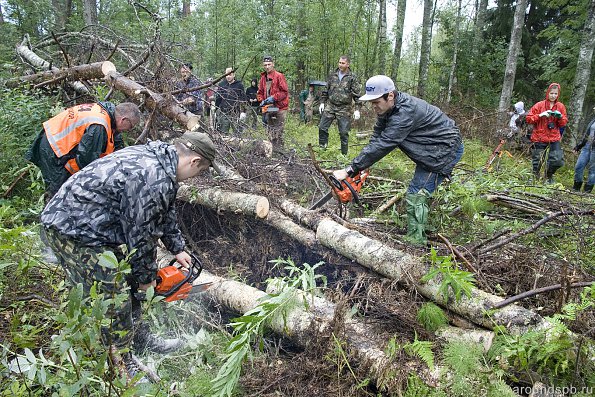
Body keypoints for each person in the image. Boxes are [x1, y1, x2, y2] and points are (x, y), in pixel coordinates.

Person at [41, 132, 219, 382]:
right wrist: (147, 281)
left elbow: (165, 210)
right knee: (115, 293)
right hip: (72, 230)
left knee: (128, 283)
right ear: (194, 161)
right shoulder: (153, 176)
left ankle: (140, 339)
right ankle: (122, 365)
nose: (196, 176)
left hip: (94, 227)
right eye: (200, 171)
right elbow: (141, 235)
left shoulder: (161, 162)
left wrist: (177, 247)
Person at [332, 75, 463, 245]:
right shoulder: (387, 109)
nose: (373, 107)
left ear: (390, 96)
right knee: (417, 191)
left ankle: (416, 243)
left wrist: (350, 169)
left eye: (376, 102)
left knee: (416, 194)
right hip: (429, 147)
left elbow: (386, 143)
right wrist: (363, 165)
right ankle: (419, 231)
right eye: (371, 103)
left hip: (443, 150)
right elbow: (377, 139)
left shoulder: (405, 113)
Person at [25, 101, 141, 200]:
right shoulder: (99, 125)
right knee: (58, 192)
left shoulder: (106, 112)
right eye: (130, 127)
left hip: (54, 140)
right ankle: (50, 220)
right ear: (123, 120)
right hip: (55, 148)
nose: (128, 130)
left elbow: (115, 141)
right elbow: (86, 160)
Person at [318, 55, 362, 155]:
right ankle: (322, 149)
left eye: (343, 63)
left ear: (348, 64)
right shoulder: (332, 75)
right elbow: (326, 90)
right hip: (331, 105)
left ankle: (344, 155)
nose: (340, 65)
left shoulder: (352, 77)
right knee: (322, 127)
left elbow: (357, 95)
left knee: (343, 133)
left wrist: (357, 109)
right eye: (339, 62)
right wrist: (322, 103)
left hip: (344, 108)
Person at [526, 83, 568, 183]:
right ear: (548, 93)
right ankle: (534, 178)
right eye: (551, 93)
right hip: (539, 136)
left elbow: (564, 123)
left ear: (558, 94)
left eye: (555, 94)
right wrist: (540, 115)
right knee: (537, 160)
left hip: (554, 137)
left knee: (557, 160)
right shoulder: (539, 105)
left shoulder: (560, 106)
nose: (553, 96)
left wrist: (560, 117)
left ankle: (548, 176)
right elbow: (528, 119)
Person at [257, 55, 289, 149]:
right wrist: (262, 101)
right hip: (269, 107)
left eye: (269, 64)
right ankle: (271, 150)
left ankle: (280, 151)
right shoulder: (263, 78)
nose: (267, 67)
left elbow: (284, 92)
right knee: (270, 130)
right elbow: (260, 92)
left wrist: (273, 98)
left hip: (280, 107)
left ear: (273, 64)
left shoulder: (279, 76)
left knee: (278, 131)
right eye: (265, 65)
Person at [215, 67, 247, 134]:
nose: (228, 76)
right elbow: (218, 98)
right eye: (227, 75)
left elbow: (243, 99)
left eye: (230, 75)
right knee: (223, 132)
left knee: (237, 133)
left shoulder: (239, 85)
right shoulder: (221, 84)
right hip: (224, 112)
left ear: (234, 75)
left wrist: (243, 112)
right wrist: (216, 110)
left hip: (235, 112)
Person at [572, 108, 595, 193]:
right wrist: (578, 146)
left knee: (592, 170)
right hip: (586, 147)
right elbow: (586, 135)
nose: (593, 108)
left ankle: (587, 191)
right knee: (579, 166)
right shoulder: (593, 120)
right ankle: (576, 188)